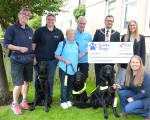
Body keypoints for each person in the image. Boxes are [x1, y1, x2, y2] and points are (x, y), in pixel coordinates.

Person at [3, 7, 33, 115]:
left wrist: (33, 57)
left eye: (28, 15)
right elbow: (6, 44)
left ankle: (23, 101)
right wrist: (19, 48)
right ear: (19, 15)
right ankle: (14, 104)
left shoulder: (30, 30)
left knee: (26, 82)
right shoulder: (12, 29)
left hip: (28, 60)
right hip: (17, 59)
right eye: (23, 14)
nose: (26, 16)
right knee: (18, 83)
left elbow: (32, 45)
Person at [32, 13, 64, 100]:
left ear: (55, 21)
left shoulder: (59, 32)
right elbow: (33, 45)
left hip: (52, 61)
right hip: (39, 61)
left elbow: (63, 45)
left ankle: (49, 96)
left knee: (50, 79)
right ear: (46, 20)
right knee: (38, 79)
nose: (50, 21)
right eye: (49, 19)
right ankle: (37, 97)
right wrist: (33, 57)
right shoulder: (39, 31)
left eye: (52, 20)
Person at [116, 55, 150, 120]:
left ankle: (147, 113)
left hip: (146, 98)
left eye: (137, 62)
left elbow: (147, 92)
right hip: (137, 93)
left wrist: (133, 98)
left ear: (140, 64)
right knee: (121, 92)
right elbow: (128, 86)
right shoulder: (129, 73)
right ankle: (124, 111)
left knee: (128, 109)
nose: (135, 64)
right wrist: (120, 86)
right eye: (133, 62)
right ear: (130, 64)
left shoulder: (146, 76)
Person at [93, 15, 120, 86]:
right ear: (105, 21)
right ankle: (98, 95)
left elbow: (118, 48)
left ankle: (109, 96)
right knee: (99, 79)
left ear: (113, 22)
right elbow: (93, 45)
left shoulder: (117, 34)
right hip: (99, 61)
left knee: (110, 80)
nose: (109, 22)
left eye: (111, 21)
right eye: (108, 20)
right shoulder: (98, 32)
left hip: (110, 62)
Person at [55, 28, 79, 109]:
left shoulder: (76, 44)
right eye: (69, 34)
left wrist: (84, 53)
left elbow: (76, 57)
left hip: (73, 70)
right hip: (64, 69)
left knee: (70, 85)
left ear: (74, 35)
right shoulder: (62, 43)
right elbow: (56, 55)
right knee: (64, 85)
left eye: (72, 34)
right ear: (66, 35)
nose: (71, 35)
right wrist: (65, 60)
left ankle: (68, 99)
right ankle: (63, 100)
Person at [117, 20, 146, 85]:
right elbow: (120, 50)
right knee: (122, 82)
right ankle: (122, 94)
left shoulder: (141, 37)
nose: (132, 27)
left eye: (133, 25)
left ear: (136, 26)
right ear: (128, 27)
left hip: (135, 64)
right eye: (130, 25)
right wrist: (119, 61)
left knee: (134, 82)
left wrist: (143, 64)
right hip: (124, 63)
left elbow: (143, 51)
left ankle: (131, 94)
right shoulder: (124, 37)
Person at [74, 16, 92, 81]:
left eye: (84, 24)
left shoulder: (88, 35)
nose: (82, 25)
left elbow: (91, 46)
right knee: (73, 78)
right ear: (77, 23)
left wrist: (88, 50)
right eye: (80, 23)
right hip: (74, 60)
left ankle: (83, 91)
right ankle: (72, 91)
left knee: (84, 78)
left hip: (85, 60)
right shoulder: (72, 33)